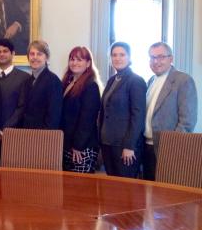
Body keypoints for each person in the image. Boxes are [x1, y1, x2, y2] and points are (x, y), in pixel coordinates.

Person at [143, 42, 198, 180]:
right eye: (152, 57)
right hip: (147, 145)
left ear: (171, 58)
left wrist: (172, 148)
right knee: (148, 190)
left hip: (168, 148)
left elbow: (187, 121)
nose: (156, 61)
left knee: (164, 193)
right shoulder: (151, 80)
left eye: (161, 57)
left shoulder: (183, 80)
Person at [99, 42, 146, 178]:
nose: (117, 58)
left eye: (122, 55)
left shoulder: (136, 81)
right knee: (112, 187)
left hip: (125, 146)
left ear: (129, 57)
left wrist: (129, 146)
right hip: (107, 143)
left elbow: (138, 116)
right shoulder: (112, 80)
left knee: (126, 191)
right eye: (114, 55)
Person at [60, 46, 102, 173]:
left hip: (82, 147)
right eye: (72, 59)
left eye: (79, 60)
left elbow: (87, 120)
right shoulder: (68, 82)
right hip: (68, 143)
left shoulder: (90, 86)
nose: (74, 63)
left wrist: (78, 146)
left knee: (80, 188)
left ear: (88, 63)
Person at [0, 38, 29, 140]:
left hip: (14, 134)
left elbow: (22, 108)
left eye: (5, 51)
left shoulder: (24, 77)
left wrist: (5, 130)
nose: (2, 54)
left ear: (13, 53)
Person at [22, 40, 63, 129]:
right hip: (26, 135)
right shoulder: (27, 82)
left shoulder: (53, 81)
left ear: (46, 58)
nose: (35, 57)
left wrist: (44, 140)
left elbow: (53, 118)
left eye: (39, 54)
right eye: (32, 54)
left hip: (43, 138)